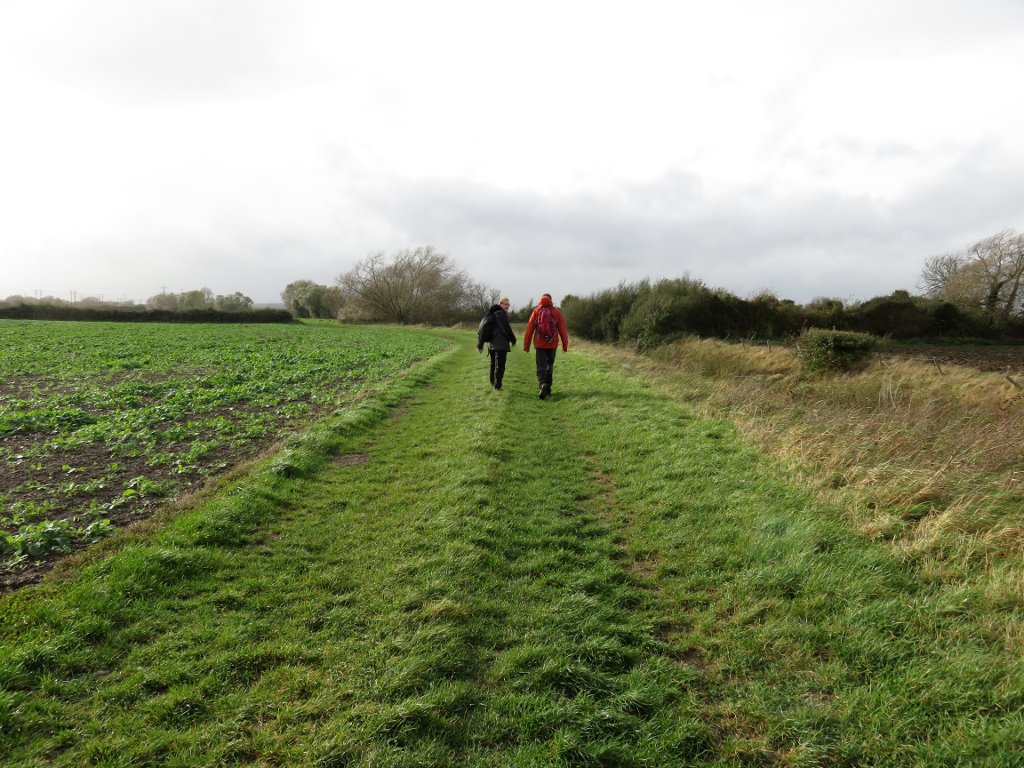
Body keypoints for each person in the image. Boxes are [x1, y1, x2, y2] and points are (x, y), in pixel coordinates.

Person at [523, 293, 569, 400]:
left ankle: (543, 383)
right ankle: (548, 389)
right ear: (551, 300)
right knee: (550, 365)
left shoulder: (536, 311)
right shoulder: (556, 312)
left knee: (541, 366)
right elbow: (563, 330)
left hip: (539, 344)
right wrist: (564, 346)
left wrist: (526, 345)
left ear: (540, 300)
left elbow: (529, 330)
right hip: (552, 344)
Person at [477, 297, 516, 390]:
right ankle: (497, 385)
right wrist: (513, 340)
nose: (507, 306)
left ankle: (492, 382)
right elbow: (507, 329)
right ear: (500, 304)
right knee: (500, 365)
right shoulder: (501, 314)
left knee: (493, 364)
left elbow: (483, 329)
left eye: (508, 304)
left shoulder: (491, 313)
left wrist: (480, 344)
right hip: (501, 344)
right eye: (505, 304)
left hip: (491, 344)